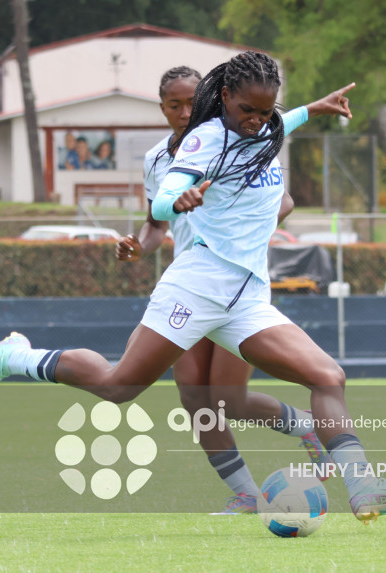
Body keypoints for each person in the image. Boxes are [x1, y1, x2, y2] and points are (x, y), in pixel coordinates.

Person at [0, 51, 386, 523]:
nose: (257, 122)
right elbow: (159, 206)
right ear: (225, 97)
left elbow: (285, 117)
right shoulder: (204, 140)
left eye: (267, 112)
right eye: (248, 110)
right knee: (121, 386)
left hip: (247, 297)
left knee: (327, 376)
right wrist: (176, 199)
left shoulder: (266, 124)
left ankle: (365, 488)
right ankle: (19, 355)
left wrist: (317, 108)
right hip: (197, 286)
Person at [115, 65, 331, 514]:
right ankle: (246, 495)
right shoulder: (159, 159)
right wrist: (138, 247)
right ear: (162, 108)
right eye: (174, 104)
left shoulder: (245, 143)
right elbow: (157, 224)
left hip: (235, 287)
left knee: (228, 400)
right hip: (190, 286)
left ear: (214, 99)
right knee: (195, 398)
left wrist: (249, 230)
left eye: (193, 101)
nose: (184, 111)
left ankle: (306, 427)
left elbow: (284, 198)